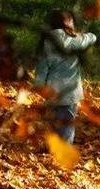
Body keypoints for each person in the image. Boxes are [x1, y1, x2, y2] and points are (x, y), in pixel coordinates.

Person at [33, 10, 96, 144]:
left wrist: (39, 86)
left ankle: (53, 149)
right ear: (68, 23)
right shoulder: (76, 41)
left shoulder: (46, 42)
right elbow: (92, 37)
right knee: (67, 125)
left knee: (53, 124)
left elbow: (42, 67)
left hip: (51, 92)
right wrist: (81, 34)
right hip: (70, 92)